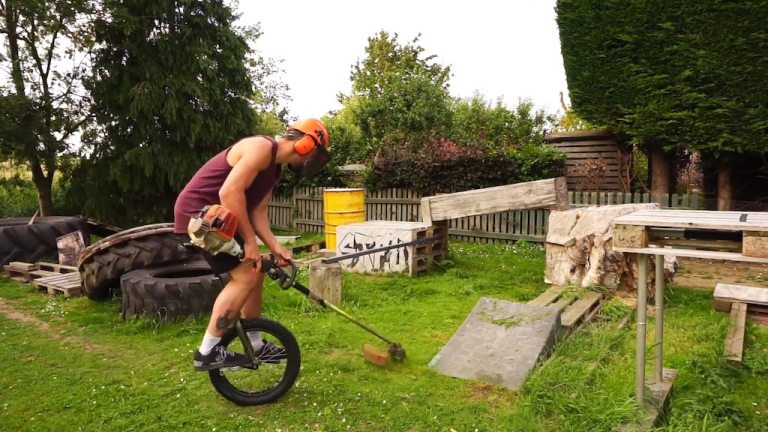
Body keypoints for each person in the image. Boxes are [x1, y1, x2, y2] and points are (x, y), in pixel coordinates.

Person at [173, 118, 331, 370]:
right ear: (305, 143)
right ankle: (208, 351)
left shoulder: (274, 170)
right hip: (200, 217)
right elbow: (229, 193)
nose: (313, 162)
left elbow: (257, 211)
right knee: (245, 276)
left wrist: (274, 246)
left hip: (222, 219)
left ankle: (255, 343)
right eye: (316, 154)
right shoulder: (260, 148)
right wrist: (250, 242)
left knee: (256, 269)